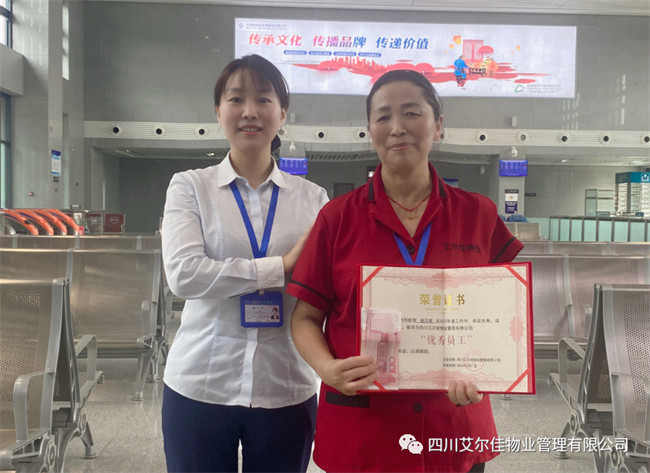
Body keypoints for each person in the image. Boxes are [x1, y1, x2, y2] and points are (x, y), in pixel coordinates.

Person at [287, 69, 523, 473]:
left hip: (452, 425)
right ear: (371, 131)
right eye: (383, 116)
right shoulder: (337, 218)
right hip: (365, 429)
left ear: (438, 124)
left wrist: (487, 370)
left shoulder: (478, 215)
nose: (397, 127)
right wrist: (327, 369)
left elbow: (501, 318)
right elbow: (305, 318)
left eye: (412, 112)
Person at [161, 54, 328, 473]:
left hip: (285, 384)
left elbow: (325, 287)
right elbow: (184, 274)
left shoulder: (313, 200)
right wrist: (280, 267)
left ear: (282, 113)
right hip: (201, 383)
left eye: (264, 99)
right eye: (236, 99)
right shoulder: (190, 187)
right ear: (218, 111)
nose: (250, 111)